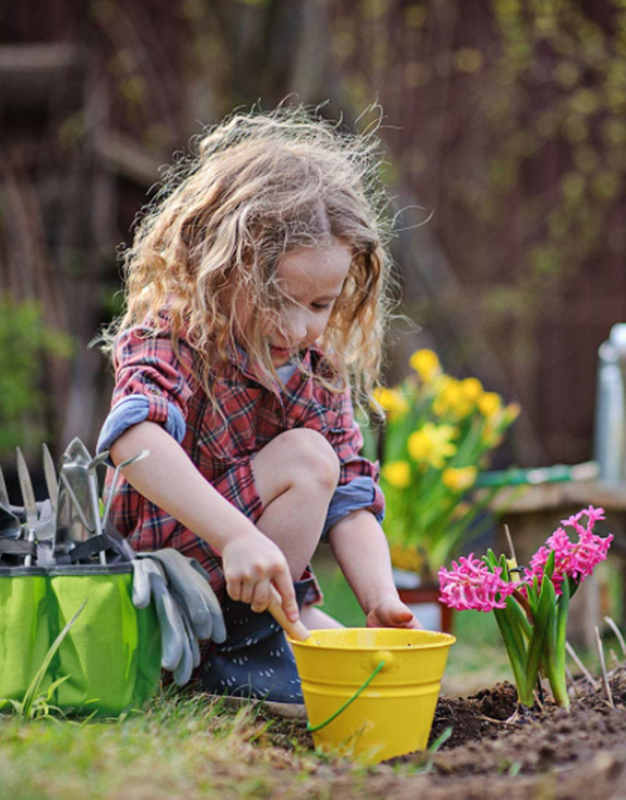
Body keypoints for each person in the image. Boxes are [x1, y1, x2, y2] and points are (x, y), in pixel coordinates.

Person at [96, 106, 420, 704]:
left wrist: (381, 598)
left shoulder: (314, 368)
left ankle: (249, 645)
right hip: (163, 582)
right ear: (219, 267)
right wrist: (237, 537)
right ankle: (229, 654)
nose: (297, 327)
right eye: (276, 297)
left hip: (254, 588)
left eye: (319, 305)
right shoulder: (175, 335)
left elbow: (351, 495)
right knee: (308, 460)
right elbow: (132, 439)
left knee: (367, 673)